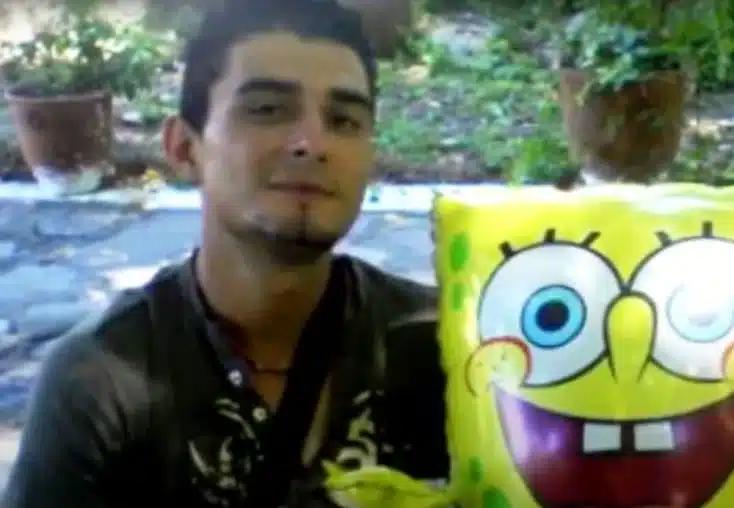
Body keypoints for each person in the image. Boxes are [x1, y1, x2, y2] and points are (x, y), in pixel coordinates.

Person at [3, 0, 448, 506]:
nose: (312, 143)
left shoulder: (442, 348)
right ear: (184, 148)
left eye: (344, 120)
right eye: (266, 109)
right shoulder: (103, 382)